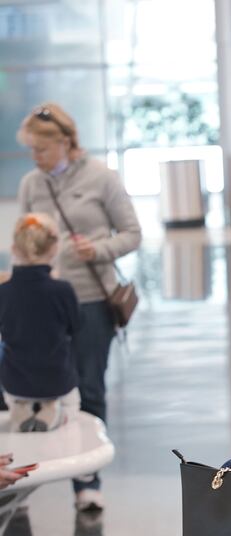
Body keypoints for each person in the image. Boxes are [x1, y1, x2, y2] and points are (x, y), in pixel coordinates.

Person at [16, 102, 142, 511]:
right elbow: (24, 238)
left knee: (89, 387)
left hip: (90, 301)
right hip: (43, 304)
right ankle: (20, 480)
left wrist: (98, 249)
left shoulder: (101, 178)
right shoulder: (32, 184)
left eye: (42, 150)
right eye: (31, 150)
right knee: (33, 390)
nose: (36, 158)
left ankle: (87, 482)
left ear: (65, 142)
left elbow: (132, 234)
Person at [0, 213, 80, 432]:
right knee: (74, 404)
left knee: (9, 363)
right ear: (54, 250)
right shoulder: (62, 291)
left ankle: (20, 408)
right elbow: (76, 328)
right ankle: (58, 413)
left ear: (14, 249)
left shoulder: (3, 292)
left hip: (14, 381)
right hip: (57, 380)